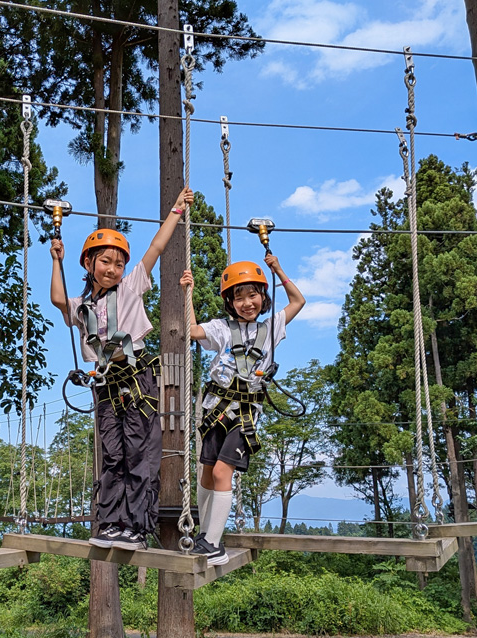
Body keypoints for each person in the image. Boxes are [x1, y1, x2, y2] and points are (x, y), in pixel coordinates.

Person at [51, 188, 195, 551]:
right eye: (105, 262)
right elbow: (57, 299)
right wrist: (56, 260)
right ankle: (110, 523)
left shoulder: (131, 288)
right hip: (105, 384)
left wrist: (177, 209)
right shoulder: (81, 305)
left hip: (137, 377)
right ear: (89, 264)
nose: (113, 269)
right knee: (112, 452)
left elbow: (156, 249)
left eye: (118, 263)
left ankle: (134, 526)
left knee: (138, 450)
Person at [180, 255, 305, 565]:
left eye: (253, 295)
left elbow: (298, 301)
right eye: (239, 297)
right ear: (230, 302)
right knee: (207, 474)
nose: (247, 302)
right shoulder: (223, 328)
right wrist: (188, 293)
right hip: (215, 409)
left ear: (263, 297)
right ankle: (205, 533)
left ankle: (213, 543)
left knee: (223, 471)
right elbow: (192, 331)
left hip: (245, 414)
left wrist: (278, 269)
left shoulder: (271, 327)